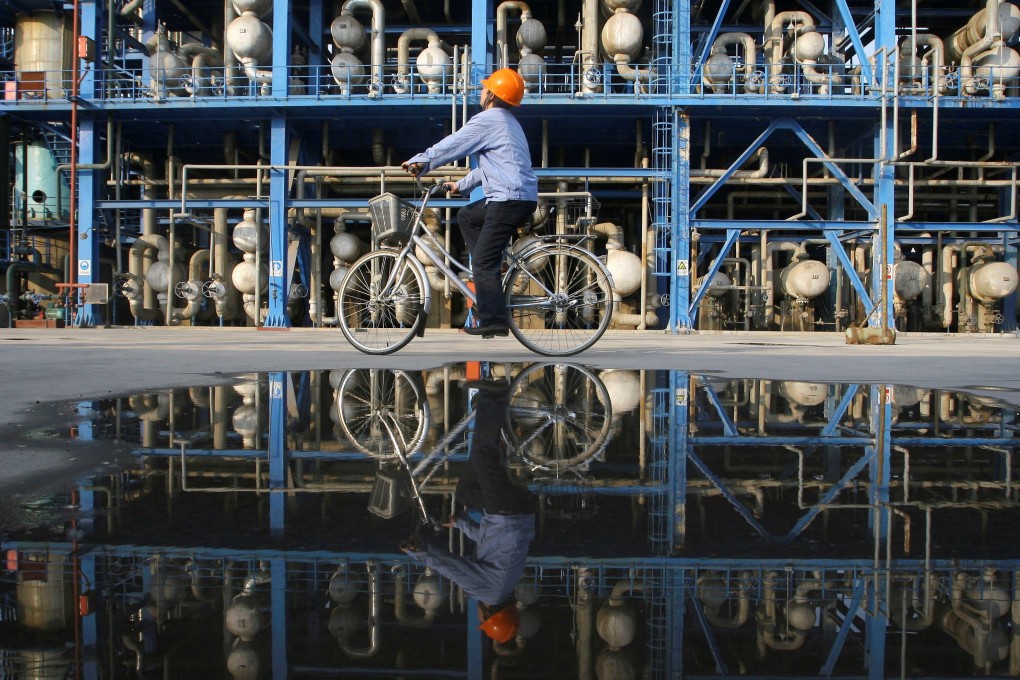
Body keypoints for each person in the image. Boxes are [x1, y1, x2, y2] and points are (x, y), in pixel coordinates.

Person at [401, 68, 539, 338]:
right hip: (516, 196)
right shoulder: (508, 122)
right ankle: (494, 262)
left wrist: (423, 160)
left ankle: (494, 320)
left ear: (492, 94)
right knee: (467, 216)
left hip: (508, 199)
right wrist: (460, 185)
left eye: (485, 87)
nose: (481, 91)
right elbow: (495, 167)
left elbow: (456, 143)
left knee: (482, 264)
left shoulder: (489, 119)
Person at [400, 379, 536, 644]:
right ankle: (494, 397)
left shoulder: (505, 585)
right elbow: (453, 568)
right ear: (488, 613)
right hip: (505, 513)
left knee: (467, 490)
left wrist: (462, 524)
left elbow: (492, 541)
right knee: (485, 456)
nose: (478, 613)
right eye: (482, 618)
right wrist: (421, 553)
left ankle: (487, 409)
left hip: (518, 514)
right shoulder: (487, 591)